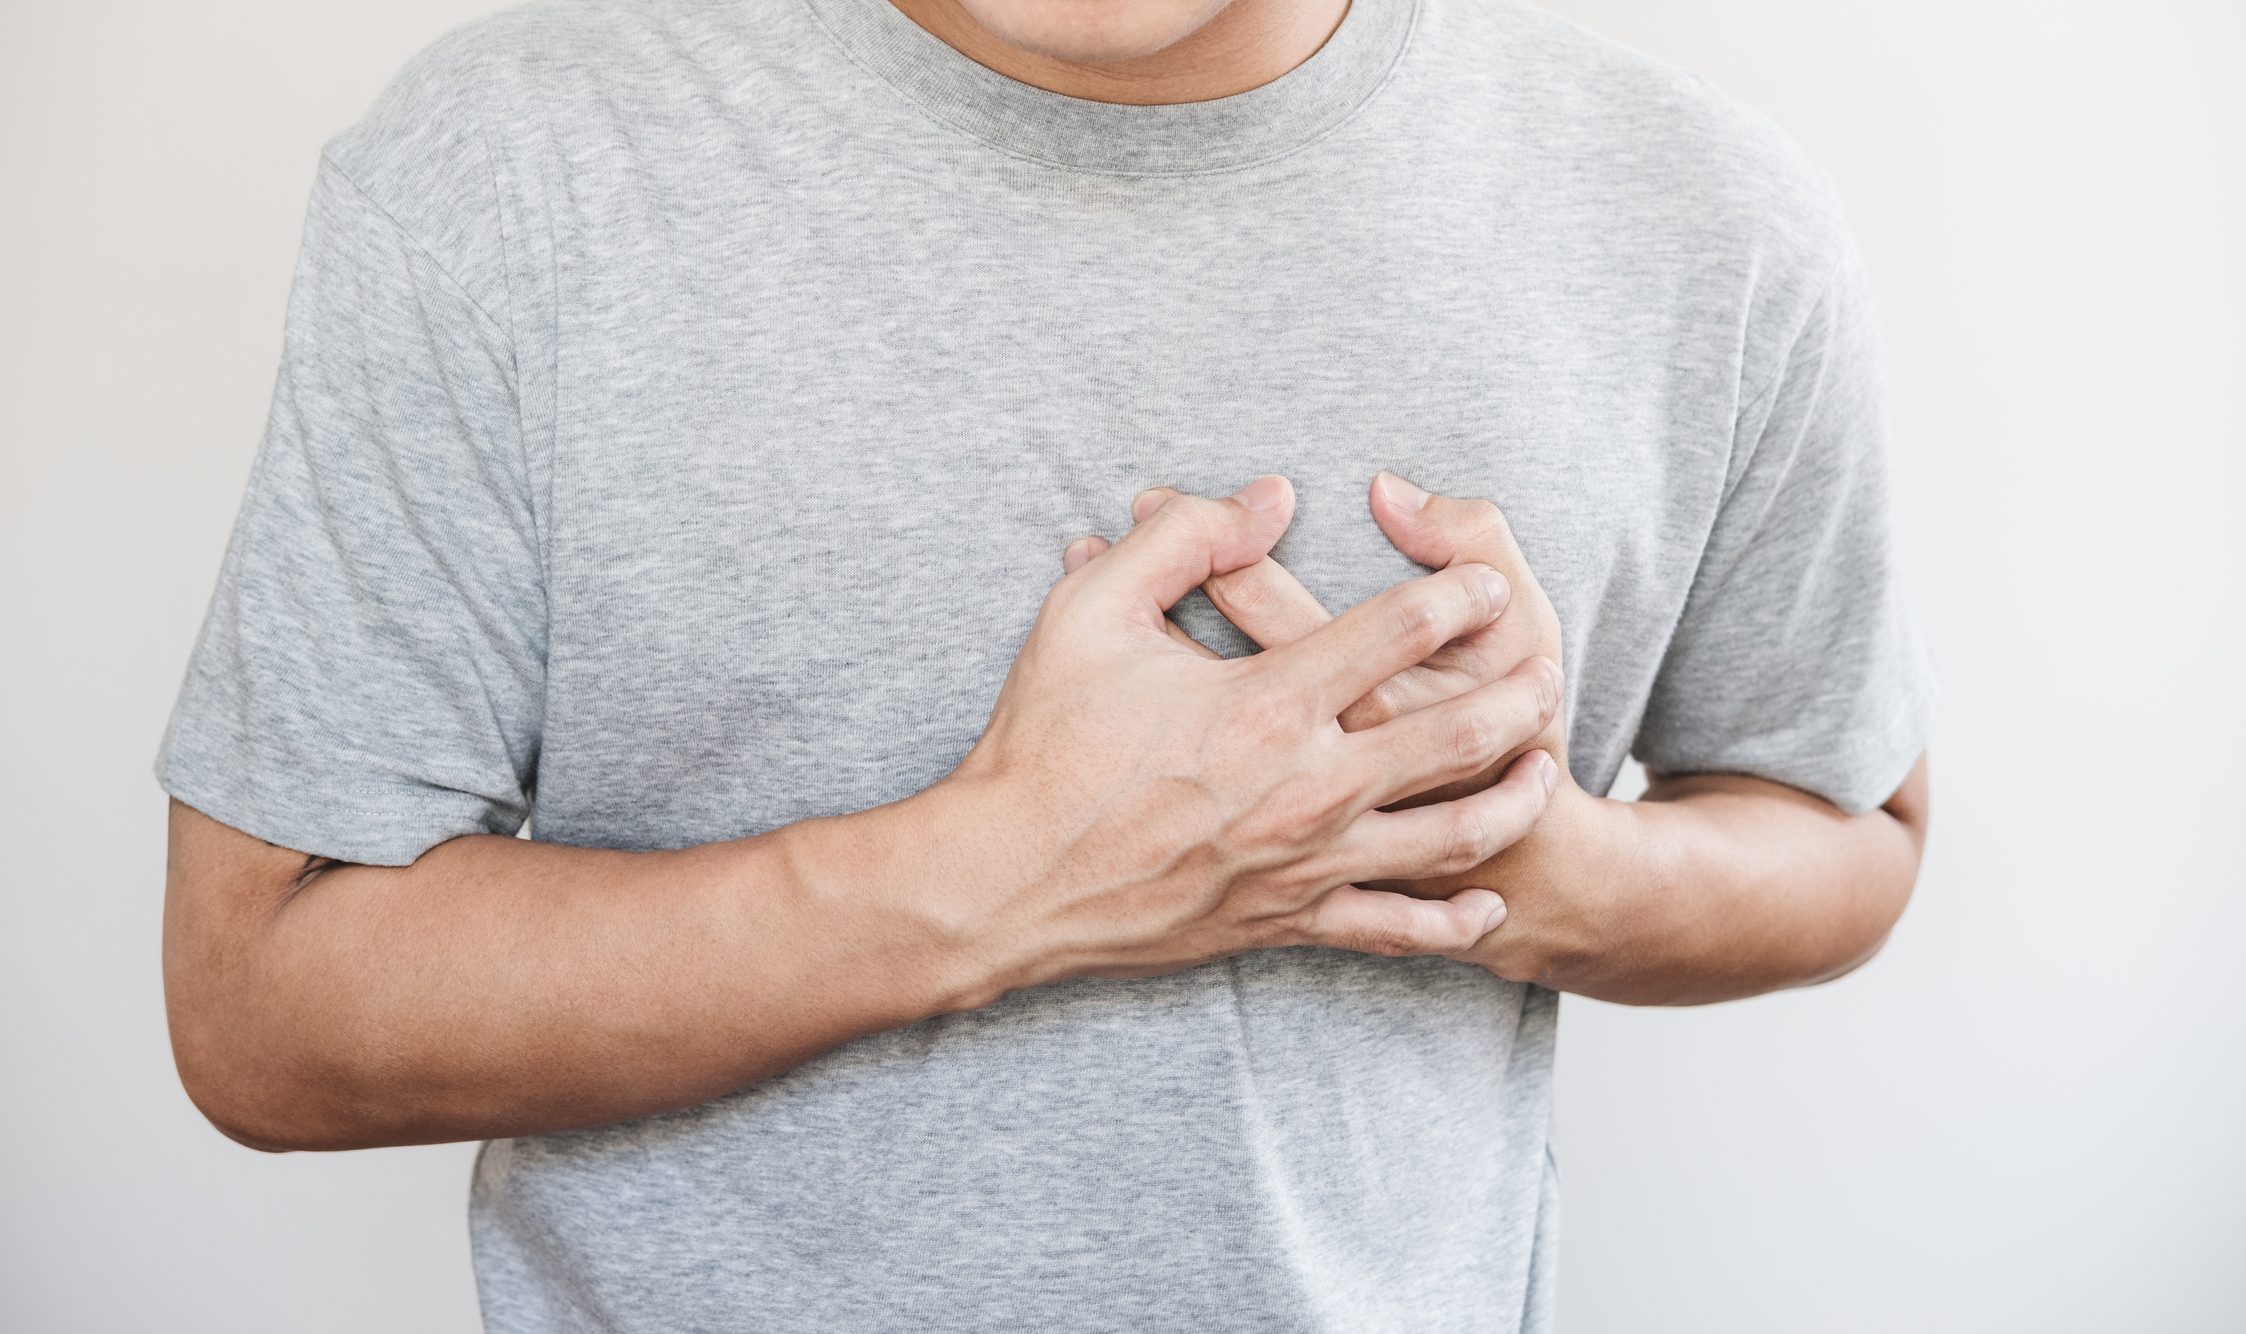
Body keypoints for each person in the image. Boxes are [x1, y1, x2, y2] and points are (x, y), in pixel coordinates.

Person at [154, 0, 1936, 1327]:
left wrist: (1514, 856)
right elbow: (259, 1012)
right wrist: (992, 881)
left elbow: (1849, 833)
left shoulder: (1703, 219)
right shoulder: (506, 169)